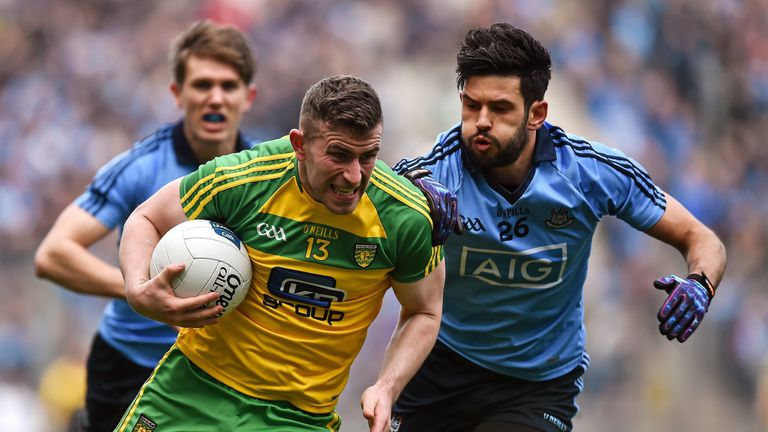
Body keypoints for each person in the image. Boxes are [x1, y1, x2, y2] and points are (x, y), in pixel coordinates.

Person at [391, 23, 727, 432]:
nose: (480, 121)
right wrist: (405, 200)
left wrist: (700, 284)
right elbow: (368, 211)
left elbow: (703, 240)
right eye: (471, 105)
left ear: (537, 114)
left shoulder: (591, 173)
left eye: (499, 109)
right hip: (441, 365)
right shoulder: (434, 175)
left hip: (538, 383)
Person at [115, 74, 445, 432]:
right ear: (300, 145)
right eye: (339, 155)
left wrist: (387, 386)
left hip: (298, 418)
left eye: (368, 157)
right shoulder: (247, 179)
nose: (354, 176)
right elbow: (147, 217)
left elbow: (424, 311)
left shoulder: (404, 217)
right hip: (193, 390)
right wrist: (137, 289)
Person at [33, 20, 259, 432]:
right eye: (201, 84)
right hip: (131, 365)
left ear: (249, 97)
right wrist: (141, 291)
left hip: (222, 372)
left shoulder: (264, 174)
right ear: (177, 93)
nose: (215, 97)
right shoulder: (142, 166)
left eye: (228, 86)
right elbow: (53, 254)